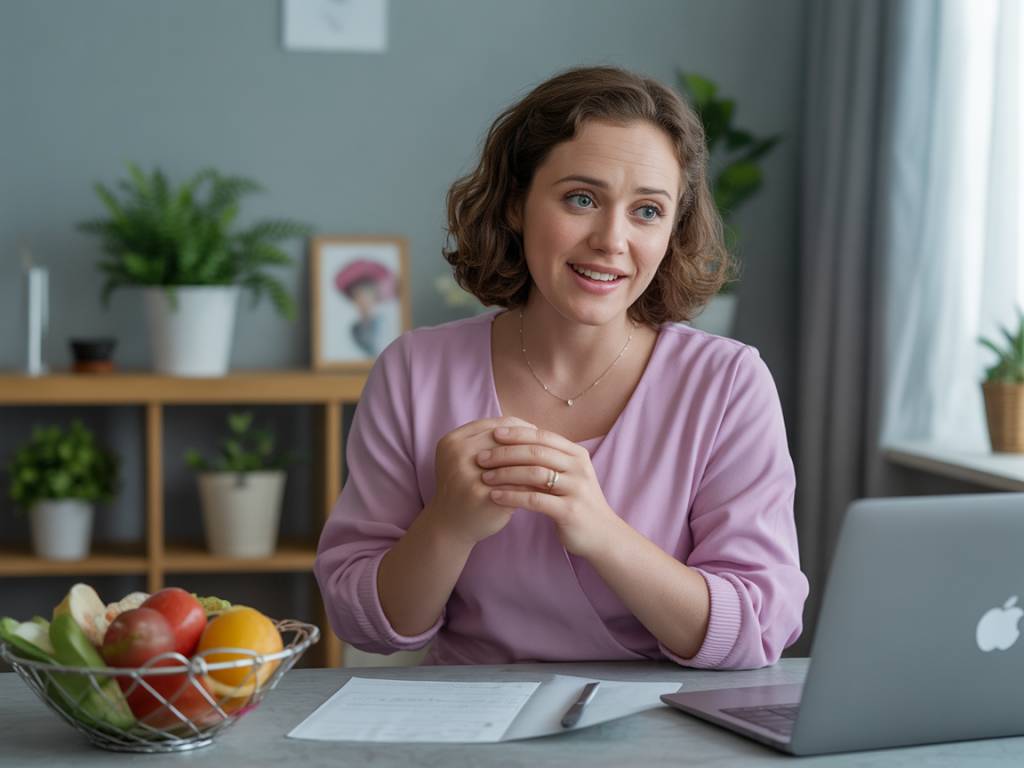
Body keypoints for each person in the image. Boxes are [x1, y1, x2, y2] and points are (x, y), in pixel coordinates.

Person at [315, 66, 808, 669]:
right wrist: (448, 525)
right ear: (517, 203)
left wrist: (598, 530)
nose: (611, 239)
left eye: (647, 211)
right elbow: (365, 626)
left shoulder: (728, 384)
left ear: (673, 229)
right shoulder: (415, 372)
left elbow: (758, 630)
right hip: (465, 732)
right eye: (582, 198)